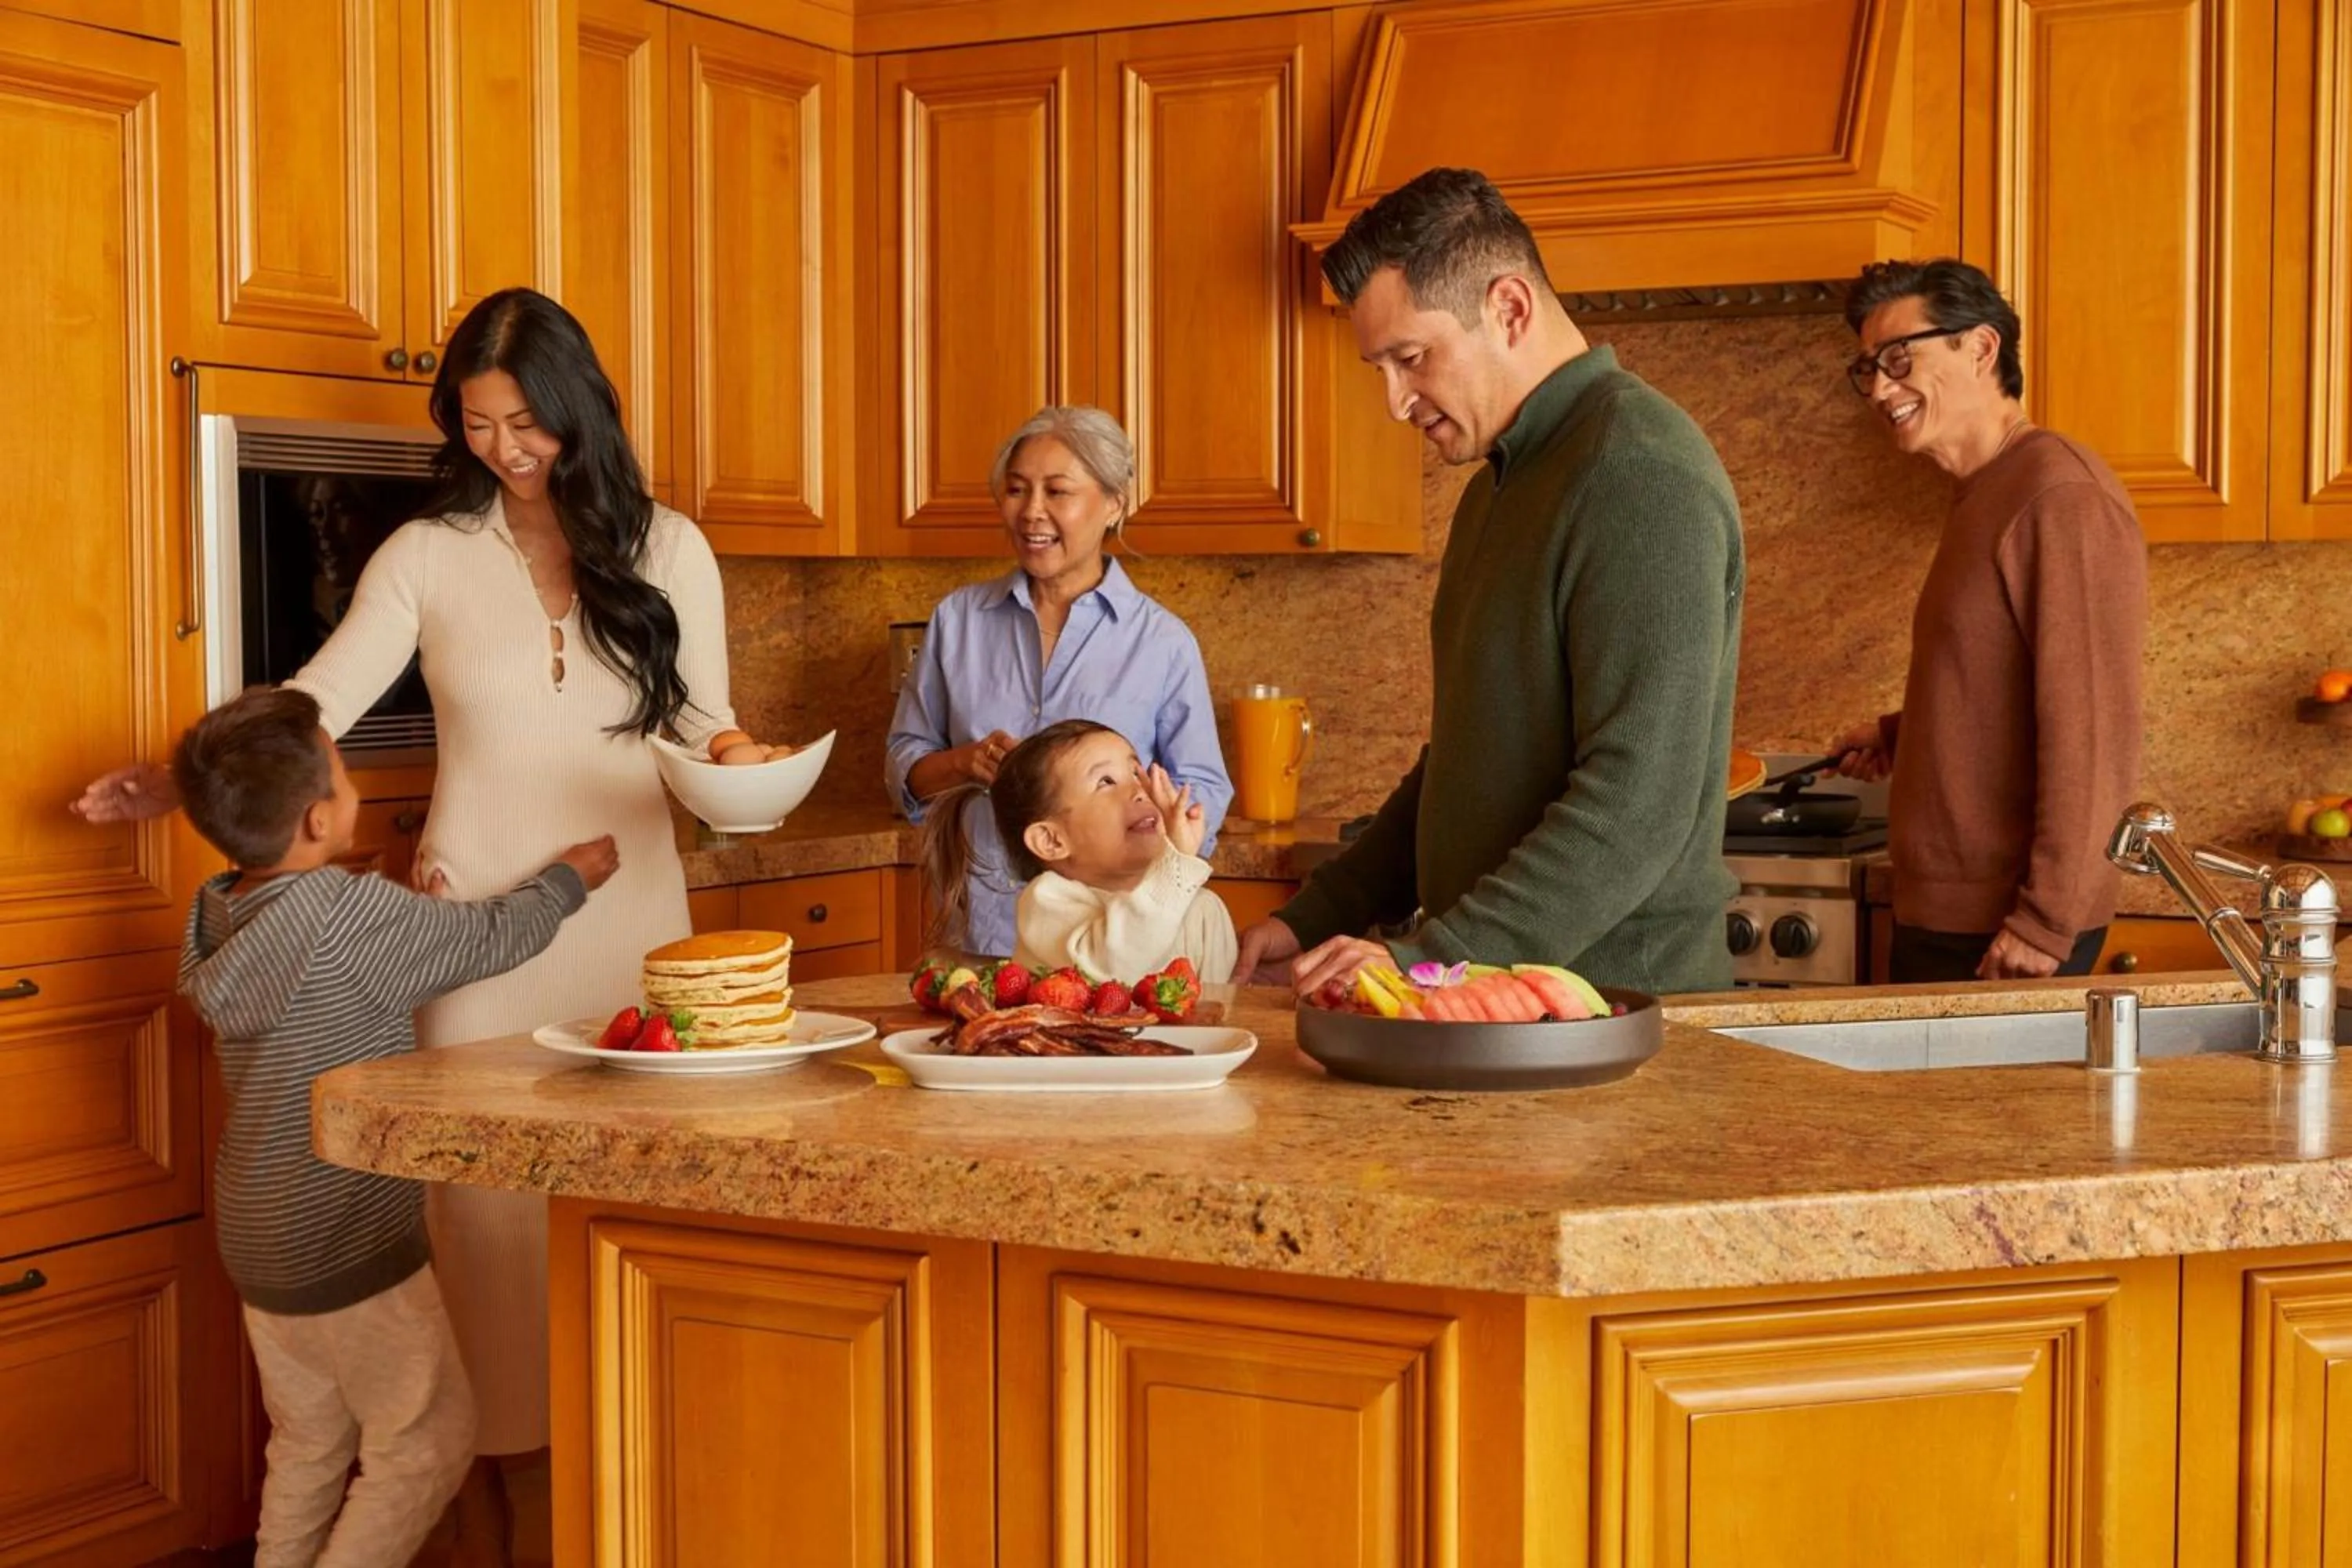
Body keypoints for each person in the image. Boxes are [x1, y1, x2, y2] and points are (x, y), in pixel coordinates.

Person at [73, 287, 783, 1563]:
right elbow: (316, 705)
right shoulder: (424, 555)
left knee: (640, 1188)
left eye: (527, 424)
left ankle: (631, 1469)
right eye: (478, 422)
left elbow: (697, 716)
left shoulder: (669, 546)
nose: (506, 448)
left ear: (579, 414)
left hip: (629, 909)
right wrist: (175, 775)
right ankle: (493, 1485)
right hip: (465, 922)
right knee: (482, 1210)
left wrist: (736, 749)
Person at [1233, 167, 1745, 998]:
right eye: (1380, 368)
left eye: (1411, 357)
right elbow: (1465, 762)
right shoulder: (1499, 489)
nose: (1396, 400)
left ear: (1508, 309)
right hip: (1511, 1007)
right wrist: (1320, 912)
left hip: (1613, 1020)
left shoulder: (1638, 474)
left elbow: (1637, 803)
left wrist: (1435, 958)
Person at [172, 686, 619, 1568]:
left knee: (308, 1441)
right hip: (345, 1227)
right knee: (428, 1441)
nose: (354, 785)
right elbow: (490, 936)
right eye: (343, 773)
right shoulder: (342, 915)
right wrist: (570, 879)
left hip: (260, 1230)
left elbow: (332, 951)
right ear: (314, 819)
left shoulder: (218, 908)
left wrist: (393, 905)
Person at [1828, 259, 2147, 982]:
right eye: (1868, 369)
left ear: (1980, 348)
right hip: (1951, 915)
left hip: (2006, 927)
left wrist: (2047, 921)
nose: (1879, 388)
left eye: (1899, 359)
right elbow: (2002, 682)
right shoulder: (1987, 494)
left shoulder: (2058, 494)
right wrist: (1899, 735)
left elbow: (2092, 729)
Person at [887, 406, 1232, 958]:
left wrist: (1149, 873)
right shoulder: (957, 622)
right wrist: (965, 762)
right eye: (1017, 490)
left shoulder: (1162, 642)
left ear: (1114, 503)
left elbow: (1203, 794)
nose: (1031, 513)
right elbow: (905, 767)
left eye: (1058, 491)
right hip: (982, 934)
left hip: (1117, 947)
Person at [921, 718, 1237, 984]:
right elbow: (1114, 972)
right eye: (1106, 781)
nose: (1140, 789)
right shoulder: (1046, 904)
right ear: (1052, 841)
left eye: (1136, 772)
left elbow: (1219, 1022)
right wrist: (1176, 869)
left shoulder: (1202, 911)